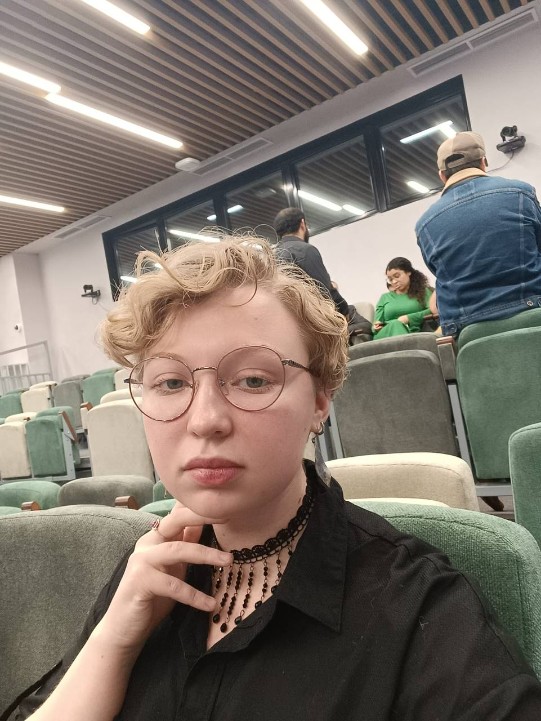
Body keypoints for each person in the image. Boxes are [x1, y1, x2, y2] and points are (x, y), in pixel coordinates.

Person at [14, 238, 541, 720]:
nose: (205, 420)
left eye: (252, 379)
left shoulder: (416, 606)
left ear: (320, 400)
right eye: (170, 383)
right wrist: (114, 641)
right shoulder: (143, 574)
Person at [416, 130, 541, 336]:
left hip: (467, 335)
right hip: (533, 316)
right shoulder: (521, 193)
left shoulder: (424, 225)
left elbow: (440, 274)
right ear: (484, 162)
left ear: (442, 175)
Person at [273, 206, 351, 318]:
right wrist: (344, 310)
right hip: (311, 319)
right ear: (302, 224)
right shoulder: (305, 250)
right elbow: (324, 292)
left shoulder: (272, 255)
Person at [372, 257, 433, 339]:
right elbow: (376, 324)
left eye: (397, 276)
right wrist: (375, 326)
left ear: (408, 272)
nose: (394, 282)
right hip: (386, 335)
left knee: (398, 325)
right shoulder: (385, 297)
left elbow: (432, 310)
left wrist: (409, 318)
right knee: (396, 324)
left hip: (414, 333)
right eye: (390, 279)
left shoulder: (423, 292)